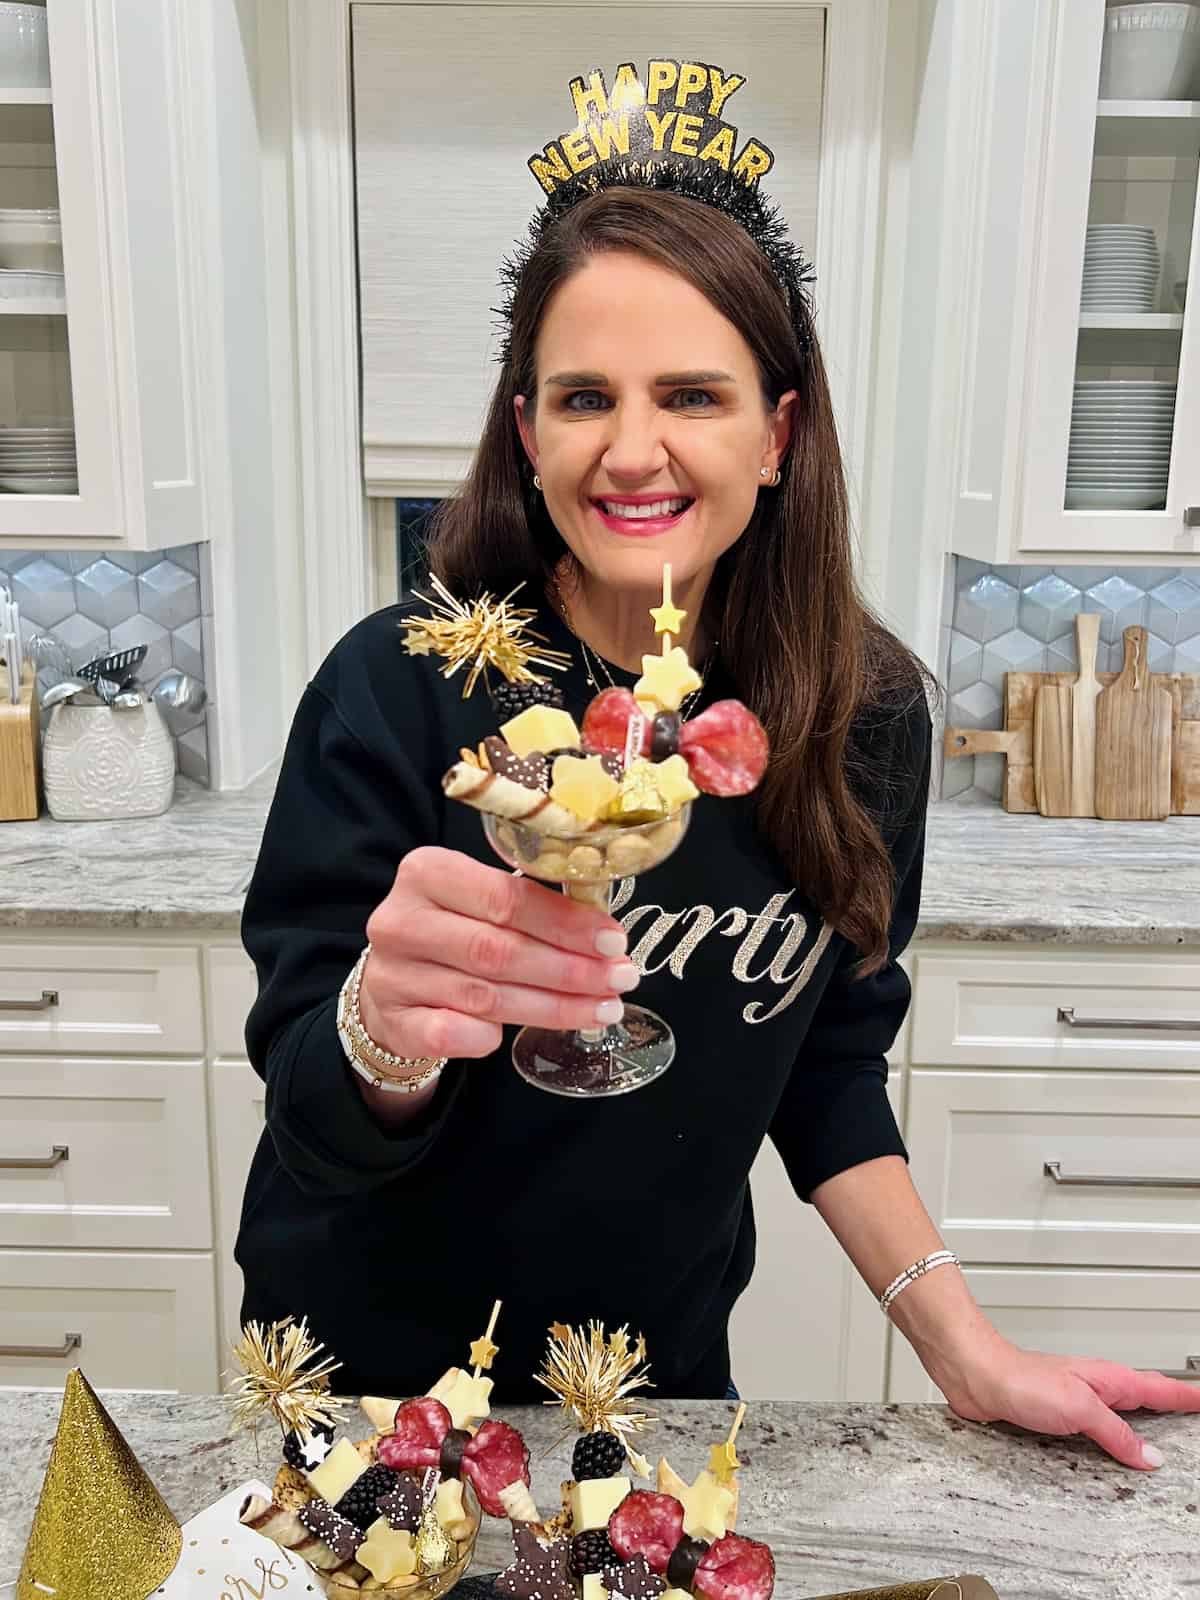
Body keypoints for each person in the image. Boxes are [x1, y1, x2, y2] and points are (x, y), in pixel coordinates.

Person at [238, 64, 1199, 1469]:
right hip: (365, 1386)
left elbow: (827, 1060)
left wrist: (964, 1346)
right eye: (581, 398)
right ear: (527, 433)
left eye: (692, 391)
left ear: (778, 431)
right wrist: (387, 1029)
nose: (633, 449)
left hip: (644, 1382)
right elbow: (317, 1116)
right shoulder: (407, 682)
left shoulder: (861, 714)